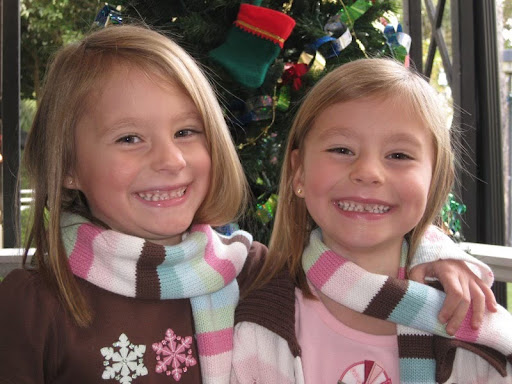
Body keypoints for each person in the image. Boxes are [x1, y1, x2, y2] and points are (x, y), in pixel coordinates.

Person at [0, 25, 498, 384]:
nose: (171, 159)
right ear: (66, 165)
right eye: (130, 138)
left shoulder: (251, 273)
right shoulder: (34, 302)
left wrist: (441, 255)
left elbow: (359, 236)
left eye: (186, 132)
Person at [231, 58, 512, 383]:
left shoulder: (469, 321)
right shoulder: (260, 323)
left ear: (434, 180)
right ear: (299, 171)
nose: (367, 172)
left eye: (399, 155)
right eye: (341, 149)